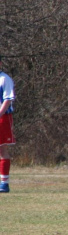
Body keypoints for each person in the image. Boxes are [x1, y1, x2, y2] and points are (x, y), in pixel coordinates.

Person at [0, 55, 16, 193]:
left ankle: (4, 183)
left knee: (2, 149)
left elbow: (8, 98)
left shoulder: (4, 79)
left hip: (2, 118)